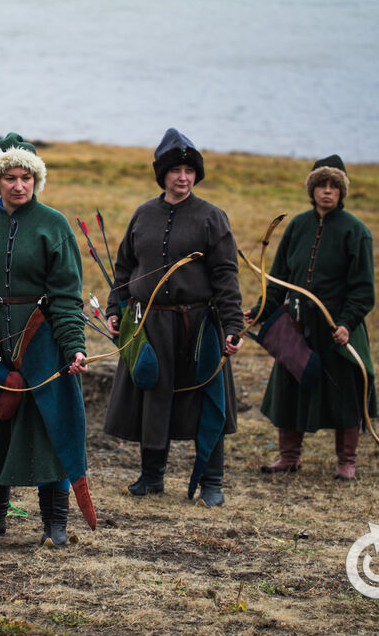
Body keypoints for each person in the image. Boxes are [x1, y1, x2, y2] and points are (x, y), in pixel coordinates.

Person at [0, 132, 88, 547]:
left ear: (36, 180)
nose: (19, 185)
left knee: (47, 424)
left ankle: (55, 524)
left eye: (26, 177)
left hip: (40, 340)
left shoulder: (54, 225)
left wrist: (74, 344)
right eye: (10, 177)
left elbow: (66, 296)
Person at [102, 127, 243, 507]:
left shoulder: (212, 217)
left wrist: (232, 326)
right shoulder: (143, 215)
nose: (183, 177)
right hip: (150, 324)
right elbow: (124, 268)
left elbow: (226, 275)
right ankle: (151, 477)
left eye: (190, 170)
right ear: (162, 174)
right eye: (176, 170)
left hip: (200, 326)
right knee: (154, 396)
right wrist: (115, 310)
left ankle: (212, 481)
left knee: (207, 399)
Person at [247, 155, 376, 480]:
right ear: (312, 189)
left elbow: (363, 290)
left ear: (342, 191)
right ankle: (289, 457)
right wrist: (261, 310)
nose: (327, 191)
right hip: (297, 324)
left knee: (346, 389)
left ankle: (346, 460)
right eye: (321, 185)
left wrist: (347, 323)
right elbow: (278, 279)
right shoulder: (297, 226)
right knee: (290, 385)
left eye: (334, 186)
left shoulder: (356, 231)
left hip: (338, 327)